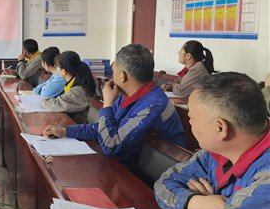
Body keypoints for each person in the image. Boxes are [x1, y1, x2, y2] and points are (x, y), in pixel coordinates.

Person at [155, 73, 269, 209]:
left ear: (220, 128)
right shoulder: (216, 153)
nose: (190, 123)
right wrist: (195, 203)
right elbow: (165, 182)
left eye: (192, 118)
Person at [43, 43, 185, 168]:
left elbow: (111, 145)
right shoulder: (128, 94)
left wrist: (107, 105)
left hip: (147, 179)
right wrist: (65, 131)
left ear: (122, 76)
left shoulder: (153, 105)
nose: (111, 75)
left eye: (113, 70)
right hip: (126, 163)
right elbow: (102, 128)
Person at [42, 51, 96, 124]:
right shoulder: (78, 81)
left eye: (56, 66)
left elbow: (55, 104)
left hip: (79, 124)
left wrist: (43, 100)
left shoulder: (78, 90)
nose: (55, 69)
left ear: (64, 71)